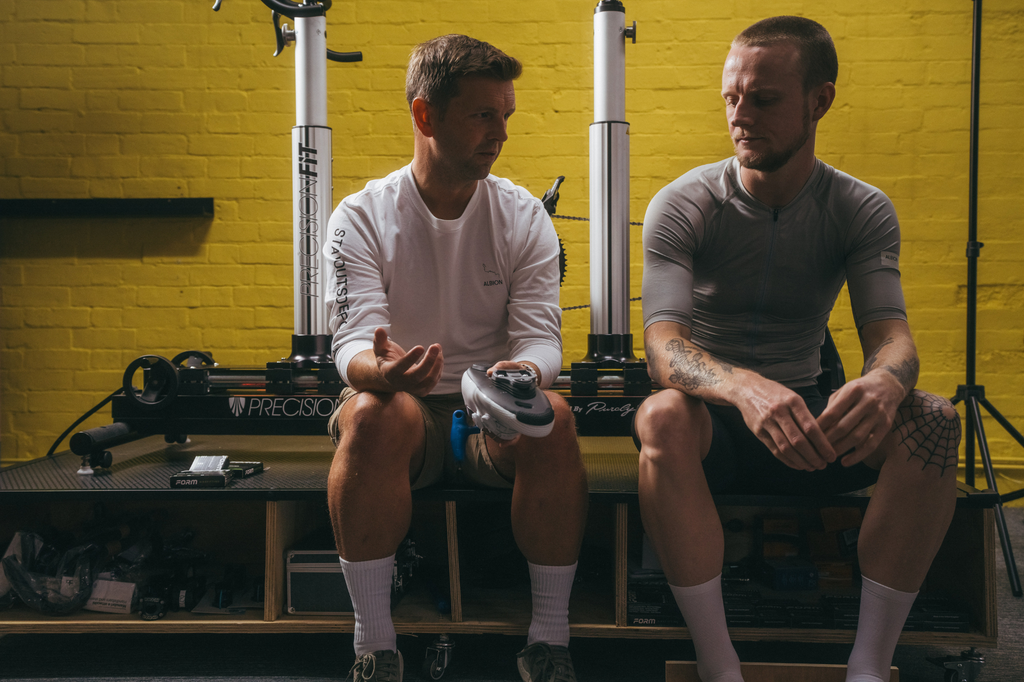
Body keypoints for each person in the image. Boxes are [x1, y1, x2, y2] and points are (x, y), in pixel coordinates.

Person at [636, 16, 962, 682]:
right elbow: (663, 348)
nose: (741, 115)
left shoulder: (859, 208)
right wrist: (743, 387)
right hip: (714, 429)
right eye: (731, 97)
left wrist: (885, 383)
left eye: (764, 98)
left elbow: (891, 336)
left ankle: (868, 665)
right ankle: (718, 663)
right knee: (660, 414)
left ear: (820, 101)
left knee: (933, 420)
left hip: (810, 423)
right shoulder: (684, 204)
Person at [324, 34, 588, 682]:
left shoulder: (523, 216)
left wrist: (522, 374)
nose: (500, 134)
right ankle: (375, 648)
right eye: (482, 115)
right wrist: (379, 374)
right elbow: (352, 342)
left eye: (506, 116)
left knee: (552, 418)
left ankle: (549, 643)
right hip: (401, 407)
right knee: (371, 416)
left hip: (485, 412)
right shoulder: (360, 216)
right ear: (425, 116)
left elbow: (539, 339)